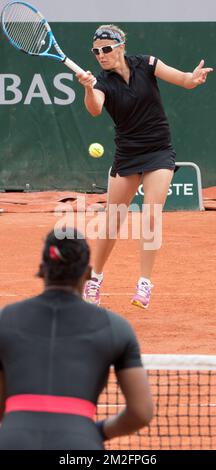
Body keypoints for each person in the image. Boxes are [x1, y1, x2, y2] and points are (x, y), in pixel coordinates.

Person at [77, 24, 213, 309]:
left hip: (159, 150)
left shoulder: (147, 63)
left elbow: (184, 80)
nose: (101, 55)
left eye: (107, 49)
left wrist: (193, 78)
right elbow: (94, 109)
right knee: (113, 221)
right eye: (96, 51)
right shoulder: (101, 82)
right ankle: (95, 279)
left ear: (121, 46)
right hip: (127, 154)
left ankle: (144, 283)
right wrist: (89, 88)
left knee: (151, 215)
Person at [0, 228, 153, 450]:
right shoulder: (116, 328)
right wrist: (96, 432)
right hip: (80, 443)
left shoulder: (5, 319)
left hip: (13, 440)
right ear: (89, 273)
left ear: (42, 270)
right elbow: (141, 412)